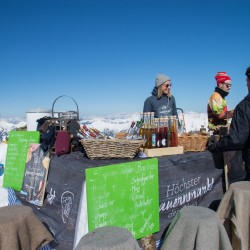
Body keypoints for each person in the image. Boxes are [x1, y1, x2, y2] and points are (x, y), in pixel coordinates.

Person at [208, 66, 250, 180]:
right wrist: (235, 112)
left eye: (230, 85)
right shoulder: (215, 97)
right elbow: (220, 114)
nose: (229, 88)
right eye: (227, 85)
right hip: (216, 132)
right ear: (220, 84)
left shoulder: (222, 98)